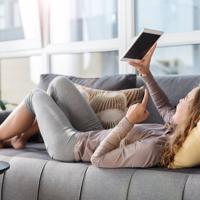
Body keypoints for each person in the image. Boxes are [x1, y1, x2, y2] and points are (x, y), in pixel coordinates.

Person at [0, 44, 200, 168]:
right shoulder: (174, 129)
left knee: (36, 95)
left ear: (192, 117)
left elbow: (99, 159)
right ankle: (21, 137)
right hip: (94, 134)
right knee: (59, 84)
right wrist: (145, 72)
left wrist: (128, 120)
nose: (180, 100)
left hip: (72, 146)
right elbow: (165, 108)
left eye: (186, 100)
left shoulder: (156, 148)